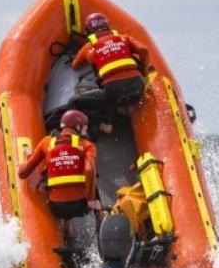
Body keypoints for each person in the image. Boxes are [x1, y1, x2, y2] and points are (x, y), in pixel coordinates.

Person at [18, 109, 100, 242]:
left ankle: (68, 227)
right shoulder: (87, 145)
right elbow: (89, 170)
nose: (85, 131)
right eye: (84, 127)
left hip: (58, 208)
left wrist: (26, 158)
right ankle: (100, 218)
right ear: (77, 127)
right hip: (81, 206)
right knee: (94, 177)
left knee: (50, 174)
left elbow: (22, 173)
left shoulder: (46, 143)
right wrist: (91, 200)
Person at [71, 12, 150, 133]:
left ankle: (98, 126)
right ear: (108, 26)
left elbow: (75, 66)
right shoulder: (124, 38)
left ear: (88, 31)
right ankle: (110, 119)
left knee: (74, 102)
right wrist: (144, 71)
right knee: (111, 96)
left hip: (113, 93)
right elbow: (144, 50)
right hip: (138, 88)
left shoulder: (88, 47)